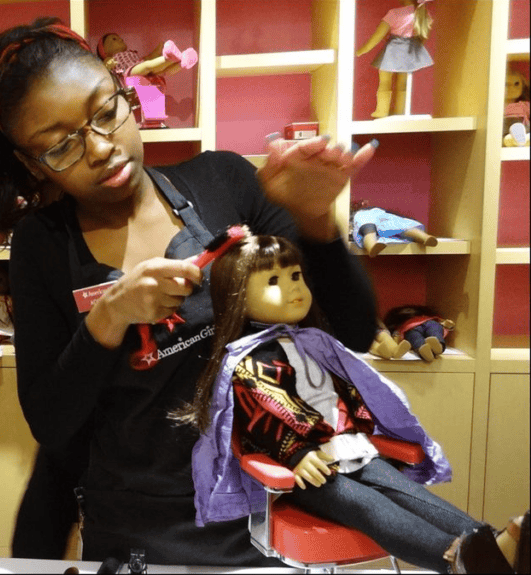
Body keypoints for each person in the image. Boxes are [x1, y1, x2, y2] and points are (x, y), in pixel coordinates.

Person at [0, 18, 379, 565]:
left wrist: (316, 223)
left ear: (128, 95)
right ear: (32, 164)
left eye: (107, 112)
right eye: (60, 147)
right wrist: (110, 318)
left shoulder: (226, 184)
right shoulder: (43, 246)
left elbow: (354, 332)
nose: (101, 149)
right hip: (138, 528)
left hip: (269, 507)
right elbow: (51, 422)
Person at [177, 234, 528, 574]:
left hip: (350, 448)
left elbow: (346, 392)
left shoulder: (313, 343)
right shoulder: (249, 362)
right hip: (305, 473)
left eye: (296, 276)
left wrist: (360, 425)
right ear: (237, 297)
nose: (294, 289)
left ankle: (492, 546)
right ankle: (456, 560)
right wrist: (296, 452)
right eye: (273, 281)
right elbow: (269, 409)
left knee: (409, 494)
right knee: (369, 506)